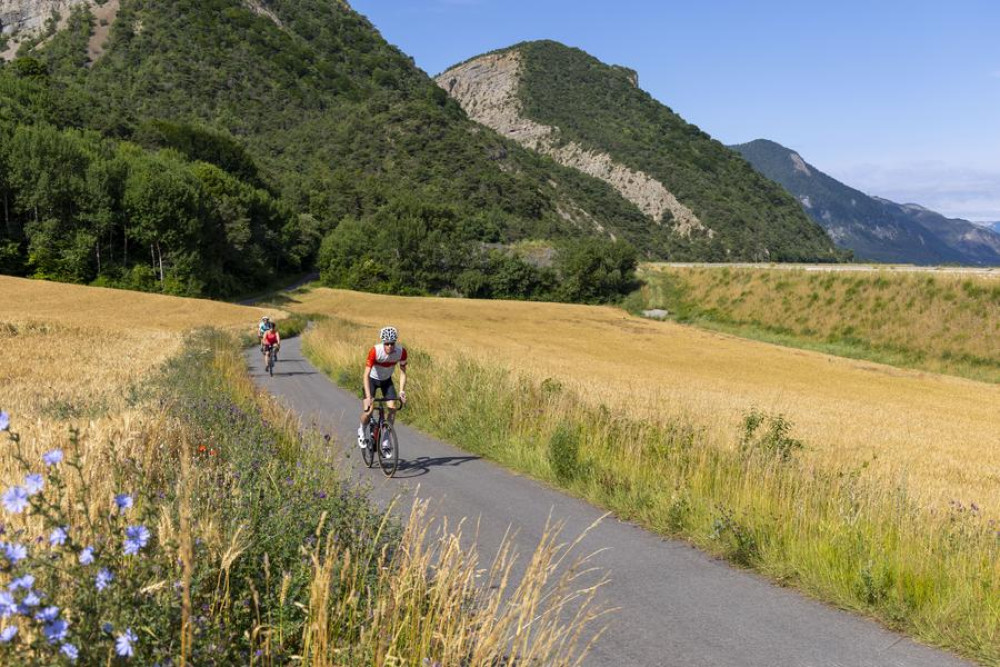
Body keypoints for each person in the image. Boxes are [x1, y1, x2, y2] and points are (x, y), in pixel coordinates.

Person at [357, 326, 408, 451]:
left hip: (386, 381)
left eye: (392, 343)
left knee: (392, 408)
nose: (389, 346)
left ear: (395, 342)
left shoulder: (401, 352)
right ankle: (361, 429)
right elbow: (365, 375)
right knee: (368, 411)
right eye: (387, 343)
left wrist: (402, 391)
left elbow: (403, 373)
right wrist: (368, 397)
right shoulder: (375, 351)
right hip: (372, 380)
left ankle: (386, 438)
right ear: (383, 342)